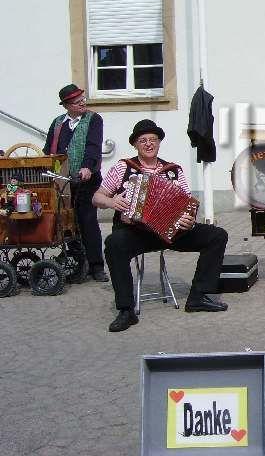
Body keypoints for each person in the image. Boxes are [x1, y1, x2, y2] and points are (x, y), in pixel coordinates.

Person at [93, 119, 229, 332]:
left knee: (217, 235)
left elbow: (188, 204)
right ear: (135, 145)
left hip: (169, 232)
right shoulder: (123, 168)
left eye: (153, 140)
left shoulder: (173, 171)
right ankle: (126, 310)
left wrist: (189, 219)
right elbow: (97, 197)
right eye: (143, 140)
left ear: (158, 143)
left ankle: (198, 296)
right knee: (113, 243)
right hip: (134, 232)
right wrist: (111, 202)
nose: (148, 144)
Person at [43, 84, 107, 282]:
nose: (83, 103)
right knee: (68, 221)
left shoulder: (93, 119)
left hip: (87, 180)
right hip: (64, 181)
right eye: (78, 102)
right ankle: (78, 262)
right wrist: (51, 170)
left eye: (83, 99)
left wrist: (87, 166)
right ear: (67, 105)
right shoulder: (58, 123)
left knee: (87, 220)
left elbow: (93, 146)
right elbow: (48, 150)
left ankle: (97, 266)